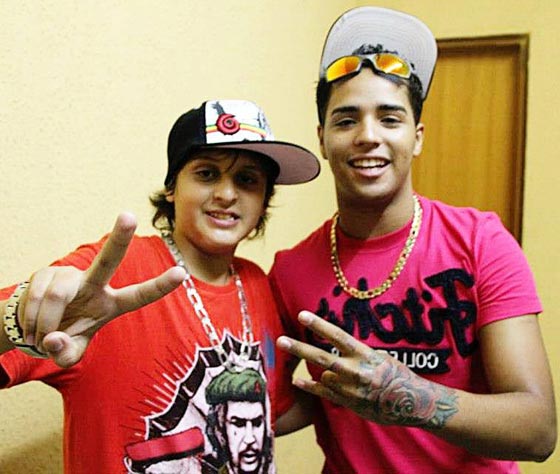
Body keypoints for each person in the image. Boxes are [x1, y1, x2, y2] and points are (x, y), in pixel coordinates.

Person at [269, 6, 557, 473]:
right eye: (346, 120)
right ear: (322, 139)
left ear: (417, 137)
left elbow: (537, 430)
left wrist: (406, 395)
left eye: (389, 119)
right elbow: (276, 404)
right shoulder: (290, 270)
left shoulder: (481, 241)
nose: (368, 136)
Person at [0, 99, 320, 474]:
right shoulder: (117, 272)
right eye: (206, 174)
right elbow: (25, 320)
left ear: (264, 199)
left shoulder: (256, 283)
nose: (227, 194)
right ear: (172, 187)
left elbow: (271, 412)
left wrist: (353, 398)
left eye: (247, 180)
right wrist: (20, 317)